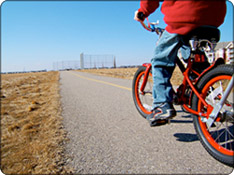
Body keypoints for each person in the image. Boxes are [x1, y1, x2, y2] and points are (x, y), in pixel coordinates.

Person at [134, 0, 226, 126]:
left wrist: (142, 13)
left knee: (160, 61)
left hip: (184, 16)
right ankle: (199, 97)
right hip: (214, 18)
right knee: (196, 62)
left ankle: (162, 105)